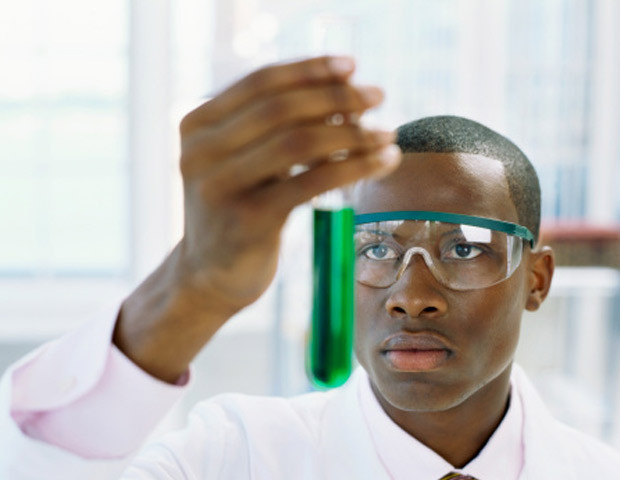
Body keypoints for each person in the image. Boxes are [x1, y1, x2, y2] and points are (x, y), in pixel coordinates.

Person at [1, 56, 619, 479]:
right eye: (376, 248)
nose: (411, 296)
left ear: (537, 278)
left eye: (463, 249)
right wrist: (192, 288)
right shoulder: (235, 456)